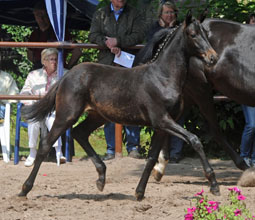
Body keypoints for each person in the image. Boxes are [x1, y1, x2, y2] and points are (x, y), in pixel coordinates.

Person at [88, 0, 145, 160]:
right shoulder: (100, 13)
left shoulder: (135, 13)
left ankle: (133, 147)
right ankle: (111, 148)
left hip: (128, 66)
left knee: (132, 105)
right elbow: (92, 34)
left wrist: (118, 41)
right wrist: (106, 43)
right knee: (108, 105)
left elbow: (139, 35)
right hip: (106, 67)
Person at [146, 1, 184, 163]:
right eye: (166, 13)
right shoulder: (154, 29)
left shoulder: (181, 28)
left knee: (178, 115)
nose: (169, 15)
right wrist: (166, 30)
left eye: (172, 12)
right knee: (160, 116)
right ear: (160, 15)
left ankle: (176, 151)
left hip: (176, 77)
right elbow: (152, 44)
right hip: (159, 78)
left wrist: (174, 29)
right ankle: (162, 151)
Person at [20, 48, 66, 167]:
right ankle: (32, 153)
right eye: (51, 59)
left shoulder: (65, 74)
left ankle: (59, 153)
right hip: (37, 107)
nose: (54, 62)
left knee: (55, 121)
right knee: (33, 122)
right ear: (43, 61)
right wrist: (31, 103)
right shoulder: (33, 75)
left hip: (54, 108)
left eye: (56, 59)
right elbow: (24, 93)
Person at [28, 1, 81, 70]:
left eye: (43, 14)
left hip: (57, 71)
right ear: (34, 16)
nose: (41, 18)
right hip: (40, 71)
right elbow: (30, 55)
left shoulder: (60, 32)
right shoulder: (34, 34)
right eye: (38, 15)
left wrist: (67, 68)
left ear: (49, 15)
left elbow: (77, 51)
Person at [240, 13, 255, 168]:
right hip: (247, 90)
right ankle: (244, 156)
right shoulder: (242, 46)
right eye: (253, 22)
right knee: (252, 125)